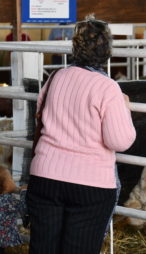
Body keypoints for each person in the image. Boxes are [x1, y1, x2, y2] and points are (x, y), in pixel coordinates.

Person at [26, 15, 136, 254]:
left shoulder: (57, 77)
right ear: (107, 51)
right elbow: (119, 140)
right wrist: (125, 110)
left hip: (45, 177)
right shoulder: (108, 88)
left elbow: (40, 114)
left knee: (42, 248)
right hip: (89, 186)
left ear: (75, 47)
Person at [0, 166, 27, 254]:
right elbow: (24, 209)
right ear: (5, 185)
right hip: (6, 241)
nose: (13, 181)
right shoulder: (8, 200)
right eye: (11, 178)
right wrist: (23, 192)